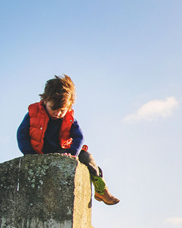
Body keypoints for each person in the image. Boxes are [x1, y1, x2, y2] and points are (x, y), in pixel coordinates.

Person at [17, 74, 120, 205]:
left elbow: (79, 136)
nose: (57, 114)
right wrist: (30, 154)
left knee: (87, 156)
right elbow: (22, 134)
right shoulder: (34, 114)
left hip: (62, 151)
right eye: (53, 109)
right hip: (39, 152)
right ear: (45, 101)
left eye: (62, 110)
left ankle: (101, 188)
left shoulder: (69, 118)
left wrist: (72, 153)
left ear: (69, 106)